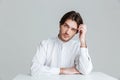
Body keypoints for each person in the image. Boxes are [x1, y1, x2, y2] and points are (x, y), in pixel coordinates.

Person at [31, 11, 93, 76]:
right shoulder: (45, 45)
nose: (67, 32)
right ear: (60, 25)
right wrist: (62, 70)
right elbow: (34, 69)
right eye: (66, 26)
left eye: (73, 29)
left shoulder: (78, 47)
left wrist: (83, 42)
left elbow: (86, 70)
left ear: (76, 32)